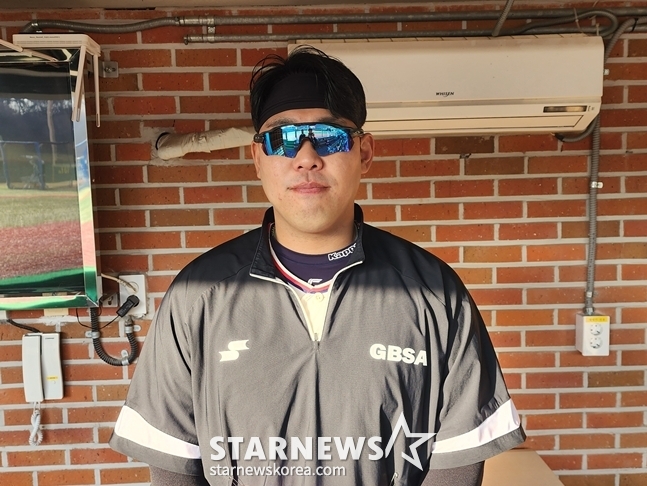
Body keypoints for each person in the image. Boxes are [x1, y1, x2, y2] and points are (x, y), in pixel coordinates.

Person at [109, 46, 526, 486]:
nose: (306, 157)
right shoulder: (197, 298)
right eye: (283, 138)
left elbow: (457, 464)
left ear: (364, 152)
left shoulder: (434, 293)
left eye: (328, 136)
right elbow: (175, 467)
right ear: (258, 158)